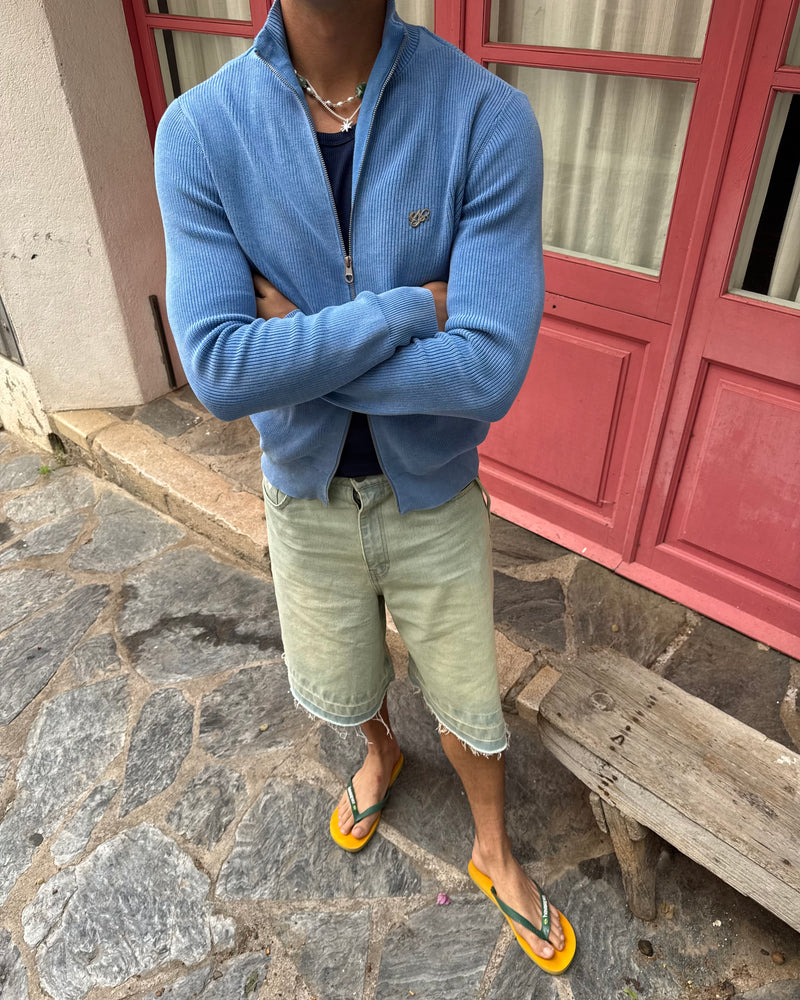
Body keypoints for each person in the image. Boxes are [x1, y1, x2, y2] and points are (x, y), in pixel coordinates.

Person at [154, 0, 575, 973]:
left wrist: (290, 342)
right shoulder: (200, 132)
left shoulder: (484, 118)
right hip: (304, 496)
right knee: (346, 680)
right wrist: (408, 310)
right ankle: (382, 754)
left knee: (468, 695)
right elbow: (220, 372)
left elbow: (486, 373)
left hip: (434, 494)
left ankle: (491, 848)